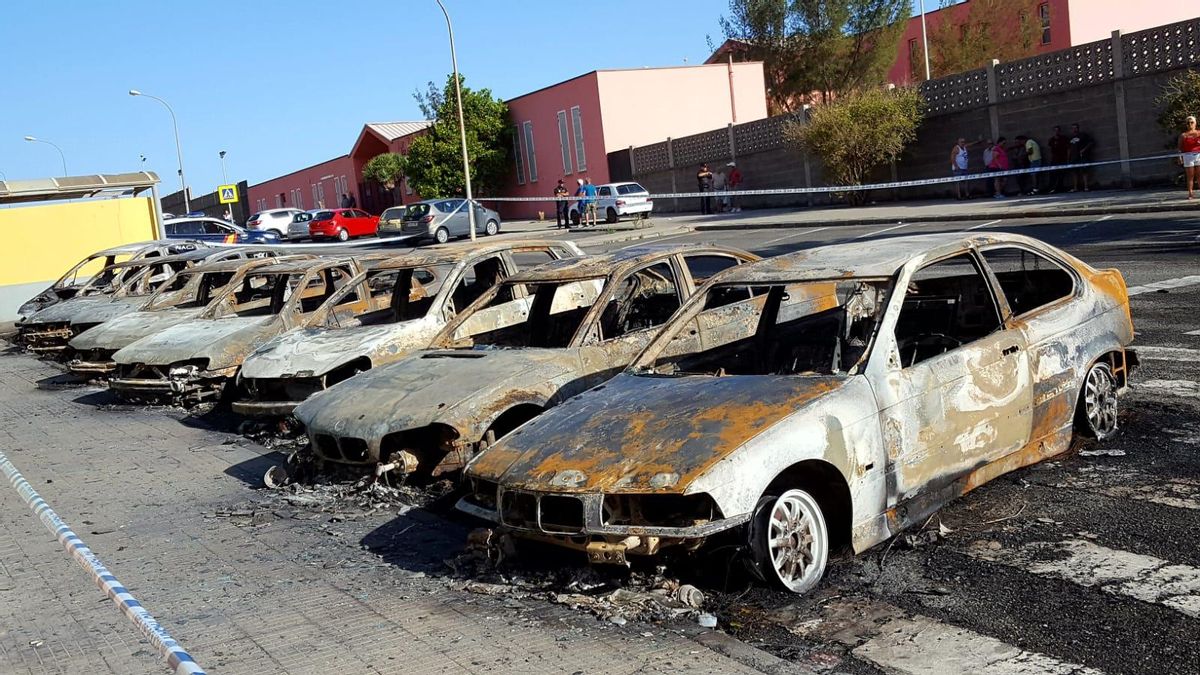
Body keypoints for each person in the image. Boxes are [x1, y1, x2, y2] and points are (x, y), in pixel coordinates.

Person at [1179, 116, 1200, 199]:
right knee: (1190, 176)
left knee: (1199, 175)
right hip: (1188, 156)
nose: (1190, 124)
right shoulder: (1183, 135)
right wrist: (1180, 157)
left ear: (1195, 123)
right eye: (1188, 123)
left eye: (1192, 122)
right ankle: (1190, 193)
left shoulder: (1199, 133)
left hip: (1199, 155)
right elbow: (1180, 148)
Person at [1069, 123, 1094, 192]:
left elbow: (1091, 142)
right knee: (1074, 172)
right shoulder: (1071, 138)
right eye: (1072, 128)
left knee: (1084, 171)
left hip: (1083, 156)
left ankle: (1086, 187)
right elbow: (1069, 148)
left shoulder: (1083, 135)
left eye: (1075, 128)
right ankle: (1075, 188)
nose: (1074, 129)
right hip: (1074, 158)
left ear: (1078, 128)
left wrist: (1084, 149)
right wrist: (1069, 157)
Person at [1047, 126, 1070, 193]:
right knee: (1052, 174)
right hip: (1054, 159)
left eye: (1058, 130)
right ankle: (1051, 188)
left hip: (1062, 159)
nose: (1056, 132)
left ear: (1060, 131)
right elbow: (1051, 149)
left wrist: (1068, 158)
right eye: (1055, 130)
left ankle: (1060, 188)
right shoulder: (1051, 140)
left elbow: (1068, 148)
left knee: (1061, 174)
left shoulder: (1064, 138)